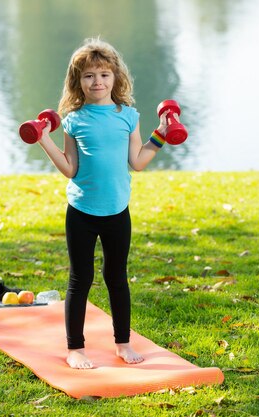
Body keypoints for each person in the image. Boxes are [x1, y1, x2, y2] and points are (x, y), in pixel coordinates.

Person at [36, 37, 177, 369]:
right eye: (88, 76)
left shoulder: (128, 116)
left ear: (115, 78)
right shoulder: (73, 120)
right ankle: (75, 349)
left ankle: (123, 344)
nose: (96, 82)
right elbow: (70, 169)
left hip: (117, 211)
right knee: (79, 279)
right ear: (77, 82)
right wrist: (44, 139)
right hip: (82, 212)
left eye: (103, 75)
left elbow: (138, 162)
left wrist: (161, 134)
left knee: (117, 277)